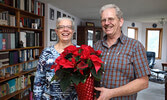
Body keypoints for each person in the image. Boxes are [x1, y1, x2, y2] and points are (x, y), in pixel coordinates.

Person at [94, 4, 150, 100]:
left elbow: (143, 82)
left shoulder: (135, 46)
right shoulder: (96, 46)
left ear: (120, 21)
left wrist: (111, 93)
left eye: (111, 19)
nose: (107, 23)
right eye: (103, 20)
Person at [33, 17, 78, 100]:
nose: (65, 30)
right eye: (61, 27)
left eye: (69, 27)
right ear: (56, 31)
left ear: (73, 31)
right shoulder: (46, 52)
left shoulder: (80, 52)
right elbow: (38, 81)